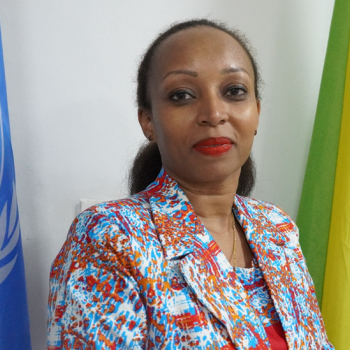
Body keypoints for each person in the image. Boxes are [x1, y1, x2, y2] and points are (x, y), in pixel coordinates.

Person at [47, 19, 333, 349]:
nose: (213, 113)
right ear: (148, 121)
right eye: (182, 95)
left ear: (256, 111)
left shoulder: (278, 230)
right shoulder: (109, 237)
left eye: (234, 91)